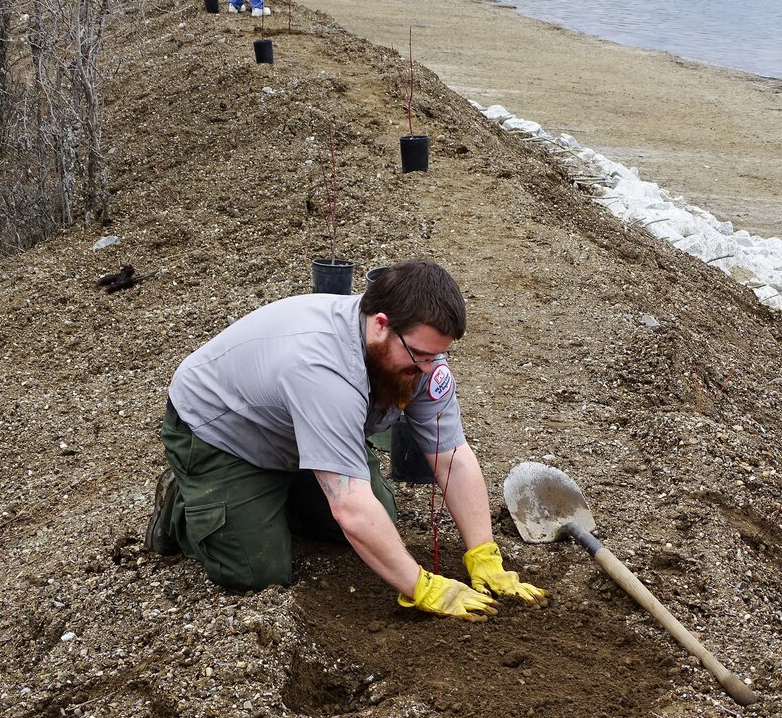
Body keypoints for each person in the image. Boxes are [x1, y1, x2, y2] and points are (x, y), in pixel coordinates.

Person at [147, 259, 547, 621]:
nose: (429, 368)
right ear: (380, 323)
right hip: (224, 434)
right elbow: (352, 508)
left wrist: (484, 555)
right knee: (257, 574)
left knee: (381, 522)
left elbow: (453, 456)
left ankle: (274, 500)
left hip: (301, 432)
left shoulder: (419, 358)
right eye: (421, 355)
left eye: (437, 356)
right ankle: (188, 506)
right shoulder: (322, 370)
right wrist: (421, 586)